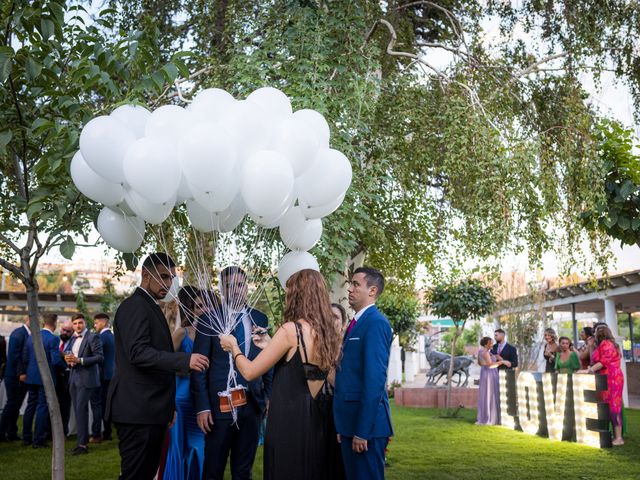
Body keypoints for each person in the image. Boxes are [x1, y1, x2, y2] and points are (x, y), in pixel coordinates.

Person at [219, 268, 342, 480]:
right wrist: (270, 345)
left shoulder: (290, 330)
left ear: (297, 295)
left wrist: (233, 347)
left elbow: (249, 372)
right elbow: (326, 376)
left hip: (289, 417)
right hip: (317, 418)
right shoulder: (326, 331)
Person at [105, 253, 209, 480]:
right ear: (145, 274)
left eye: (172, 278)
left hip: (151, 410)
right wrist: (184, 360)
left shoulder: (149, 306)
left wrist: (167, 407)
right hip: (137, 411)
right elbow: (138, 353)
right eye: (163, 276)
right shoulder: (135, 306)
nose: (168, 283)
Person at [192, 266, 272, 480]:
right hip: (218, 408)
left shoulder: (260, 319)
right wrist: (202, 407)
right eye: (230, 286)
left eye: (239, 285)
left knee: (243, 470)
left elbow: (268, 361)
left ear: (247, 287)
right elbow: (200, 368)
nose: (236, 290)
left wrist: (268, 397)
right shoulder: (208, 320)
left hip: (253, 405)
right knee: (213, 469)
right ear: (222, 289)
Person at [334, 267, 393, 480]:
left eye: (356, 284)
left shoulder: (376, 323)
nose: (350, 288)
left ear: (372, 290)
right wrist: (345, 425)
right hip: (350, 423)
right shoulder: (356, 322)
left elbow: (374, 380)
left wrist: (362, 431)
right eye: (350, 284)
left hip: (367, 429)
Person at [163, 286, 205, 480]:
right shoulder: (182, 333)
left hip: (203, 399)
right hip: (182, 397)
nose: (204, 309)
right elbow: (165, 362)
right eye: (199, 306)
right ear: (191, 309)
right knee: (179, 445)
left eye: (207, 306)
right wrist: (186, 366)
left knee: (200, 447)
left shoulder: (216, 335)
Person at [22, 313, 65, 447]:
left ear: (43, 322)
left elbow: (25, 357)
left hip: (31, 377)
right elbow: (55, 360)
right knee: (42, 408)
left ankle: (26, 438)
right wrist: (66, 367)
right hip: (45, 379)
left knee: (30, 407)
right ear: (55, 323)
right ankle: (39, 440)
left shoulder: (31, 337)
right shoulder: (53, 339)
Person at [578, 325, 625, 446]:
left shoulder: (606, 343)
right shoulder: (602, 345)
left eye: (595, 332)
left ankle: (619, 437)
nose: (593, 334)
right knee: (607, 406)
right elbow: (594, 359)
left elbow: (602, 362)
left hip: (612, 378)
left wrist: (588, 371)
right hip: (604, 378)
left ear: (601, 333)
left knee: (614, 406)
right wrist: (591, 345)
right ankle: (612, 434)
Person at [65, 313, 104, 455]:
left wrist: (80, 360)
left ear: (85, 323)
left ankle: (82, 445)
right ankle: (82, 442)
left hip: (86, 379)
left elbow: (100, 357)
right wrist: (68, 359)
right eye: (75, 324)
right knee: (78, 411)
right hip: (73, 377)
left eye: (80, 323)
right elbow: (67, 353)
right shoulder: (72, 337)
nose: (77, 326)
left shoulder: (93, 337)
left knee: (81, 410)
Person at [0, 320, 30, 442]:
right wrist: (21, 373)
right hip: (14, 376)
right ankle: (1, 432)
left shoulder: (25, 333)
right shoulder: (18, 334)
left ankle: (11, 432)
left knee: (15, 405)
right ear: (28, 320)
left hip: (19, 376)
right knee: (12, 404)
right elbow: (14, 356)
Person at [89, 313, 115, 442]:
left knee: (98, 405)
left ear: (103, 322)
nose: (95, 325)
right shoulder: (113, 337)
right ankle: (108, 432)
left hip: (102, 375)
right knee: (107, 404)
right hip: (113, 375)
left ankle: (96, 433)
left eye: (96, 322)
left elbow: (98, 357)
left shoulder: (100, 337)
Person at [476, 336, 501, 425]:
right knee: (491, 394)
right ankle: (490, 417)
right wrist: (501, 362)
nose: (492, 344)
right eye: (491, 343)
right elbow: (491, 365)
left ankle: (485, 415)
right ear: (487, 344)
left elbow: (479, 363)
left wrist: (494, 358)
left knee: (486, 394)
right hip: (490, 374)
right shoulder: (486, 352)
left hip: (484, 374)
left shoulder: (480, 351)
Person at [56, 320, 73, 436]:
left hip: (67, 380)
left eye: (68, 331)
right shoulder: (55, 341)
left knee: (64, 407)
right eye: (63, 329)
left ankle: (63, 432)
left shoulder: (74, 342)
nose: (65, 332)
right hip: (55, 378)